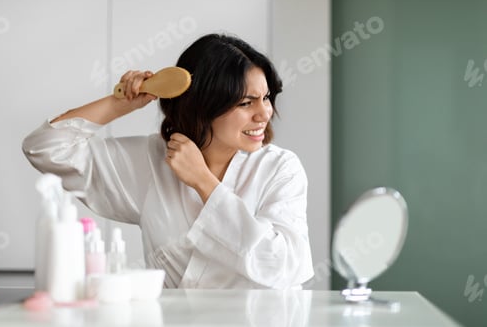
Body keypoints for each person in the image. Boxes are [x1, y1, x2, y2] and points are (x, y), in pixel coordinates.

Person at [22, 33, 314, 289]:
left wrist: (204, 182)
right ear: (203, 106)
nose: (264, 113)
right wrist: (120, 103)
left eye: (266, 98)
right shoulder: (151, 161)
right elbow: (44, 148)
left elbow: (284, 266)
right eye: (246, 102)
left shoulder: (280, 169)